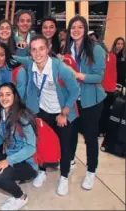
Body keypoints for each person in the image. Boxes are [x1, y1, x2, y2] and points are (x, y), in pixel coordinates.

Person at [23, 35, 80, 196]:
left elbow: (75, 90)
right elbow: (32, 88)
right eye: (33, 49)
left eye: (41, 48)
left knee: (64, 146)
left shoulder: (60, 68)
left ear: (48, 49)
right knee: (41, 143)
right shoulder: (32, 67)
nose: (37, 53)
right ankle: (42, 171)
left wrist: (64, 113)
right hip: (43, 111)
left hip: (62, 112)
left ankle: (63, 177)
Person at [0, 83, 38, 211]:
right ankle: (10, 177)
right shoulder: (4, 113)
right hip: (11, 156)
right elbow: (0, 137)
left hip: (27, 162)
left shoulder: (23, 117)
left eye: (8, 94)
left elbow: (31, 148)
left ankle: (21, 197)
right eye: (1, 95)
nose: (4, 98)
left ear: (14, 96)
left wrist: (7, 161)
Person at [66, 16, 106, 191]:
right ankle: (71, 160)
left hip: (91, 101)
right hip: (74, 100)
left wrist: (78, 75)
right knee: (71, 134)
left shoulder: (96, 49)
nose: (76, 30)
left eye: (79, 27)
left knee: (90, 137)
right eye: (73, 27)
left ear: (85, 29)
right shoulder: (67, 48)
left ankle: (91, 171)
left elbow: (99, 76)